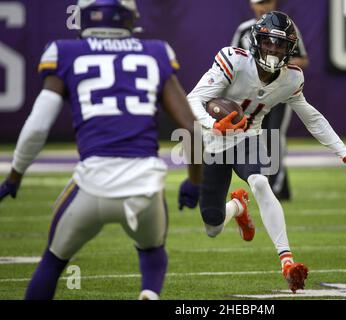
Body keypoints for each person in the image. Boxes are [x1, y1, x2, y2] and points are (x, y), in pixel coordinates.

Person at [0, 0, 201, 300]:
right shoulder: (156, 52)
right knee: (152, 250)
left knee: (53, 262)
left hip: (92, 184)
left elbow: (38, 127)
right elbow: (192, 128)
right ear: (129, 17)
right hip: (144, 184)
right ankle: (148, 292)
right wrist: (195, 181)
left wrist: (15, 175)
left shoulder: (65, 52)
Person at [178, 11, 346, 293]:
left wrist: (345, 154)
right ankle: (237, 207)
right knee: (212, 225)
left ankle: (287, 261)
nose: (273, 50)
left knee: (259, 181)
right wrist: (212, 124)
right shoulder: (233, 61)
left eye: (280, 46)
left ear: (289, 49)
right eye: (268, 43)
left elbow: (312, 117)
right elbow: (193, 100)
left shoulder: (291, 79)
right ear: (257, 42)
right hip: (214, 141)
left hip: (250, 137)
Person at [231, 0, 309, 201]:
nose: (262, 6)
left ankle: (276, 186)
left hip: (278, 94)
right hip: (252, 96)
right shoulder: (244, 30)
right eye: (259, 3)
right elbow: (234, 59)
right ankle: (272, 185)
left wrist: (276, 62)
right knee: (257, 138)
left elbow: (302, 58)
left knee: (274, 137)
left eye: (266, 2)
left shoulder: (288, 27)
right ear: (251, 5)